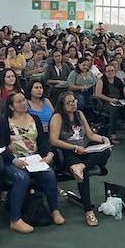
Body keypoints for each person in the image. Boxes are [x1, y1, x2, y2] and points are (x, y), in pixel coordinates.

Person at [0, 92, 65, 233]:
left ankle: (54, 210)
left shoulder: (34, 119)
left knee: (49, 174)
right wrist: (14, 160)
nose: (23, 103)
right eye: (19, 101)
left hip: (33, 159)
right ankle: (15, 219)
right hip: (12, 161)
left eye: (24, 100)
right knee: (22, 177)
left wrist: (49, 154)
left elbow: (42, 140)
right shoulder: (3, 123)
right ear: (11, 107)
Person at [49, 92, 111, 227]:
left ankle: (82, 165)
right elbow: (54, 141)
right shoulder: (57, 117)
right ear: (62, 105)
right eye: (69, 102)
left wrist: (104, 139)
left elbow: (90, 135)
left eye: (74, 101)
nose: (73, 104)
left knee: (106, 150)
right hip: (66, 153)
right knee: (84, 174)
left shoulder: (79, 114)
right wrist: (74, 147)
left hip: (82, 151)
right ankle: (88, 211)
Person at [94, 63, 125, 143]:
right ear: (105, 72)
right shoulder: (101, 81)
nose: (111, 72)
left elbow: (124, 90)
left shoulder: (118, 80)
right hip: (105, 102)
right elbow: (98, 94)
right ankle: (112, 133)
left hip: (118, 101)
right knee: (113, 110)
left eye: (112, 70)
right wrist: (110, 100)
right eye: (109, 71)